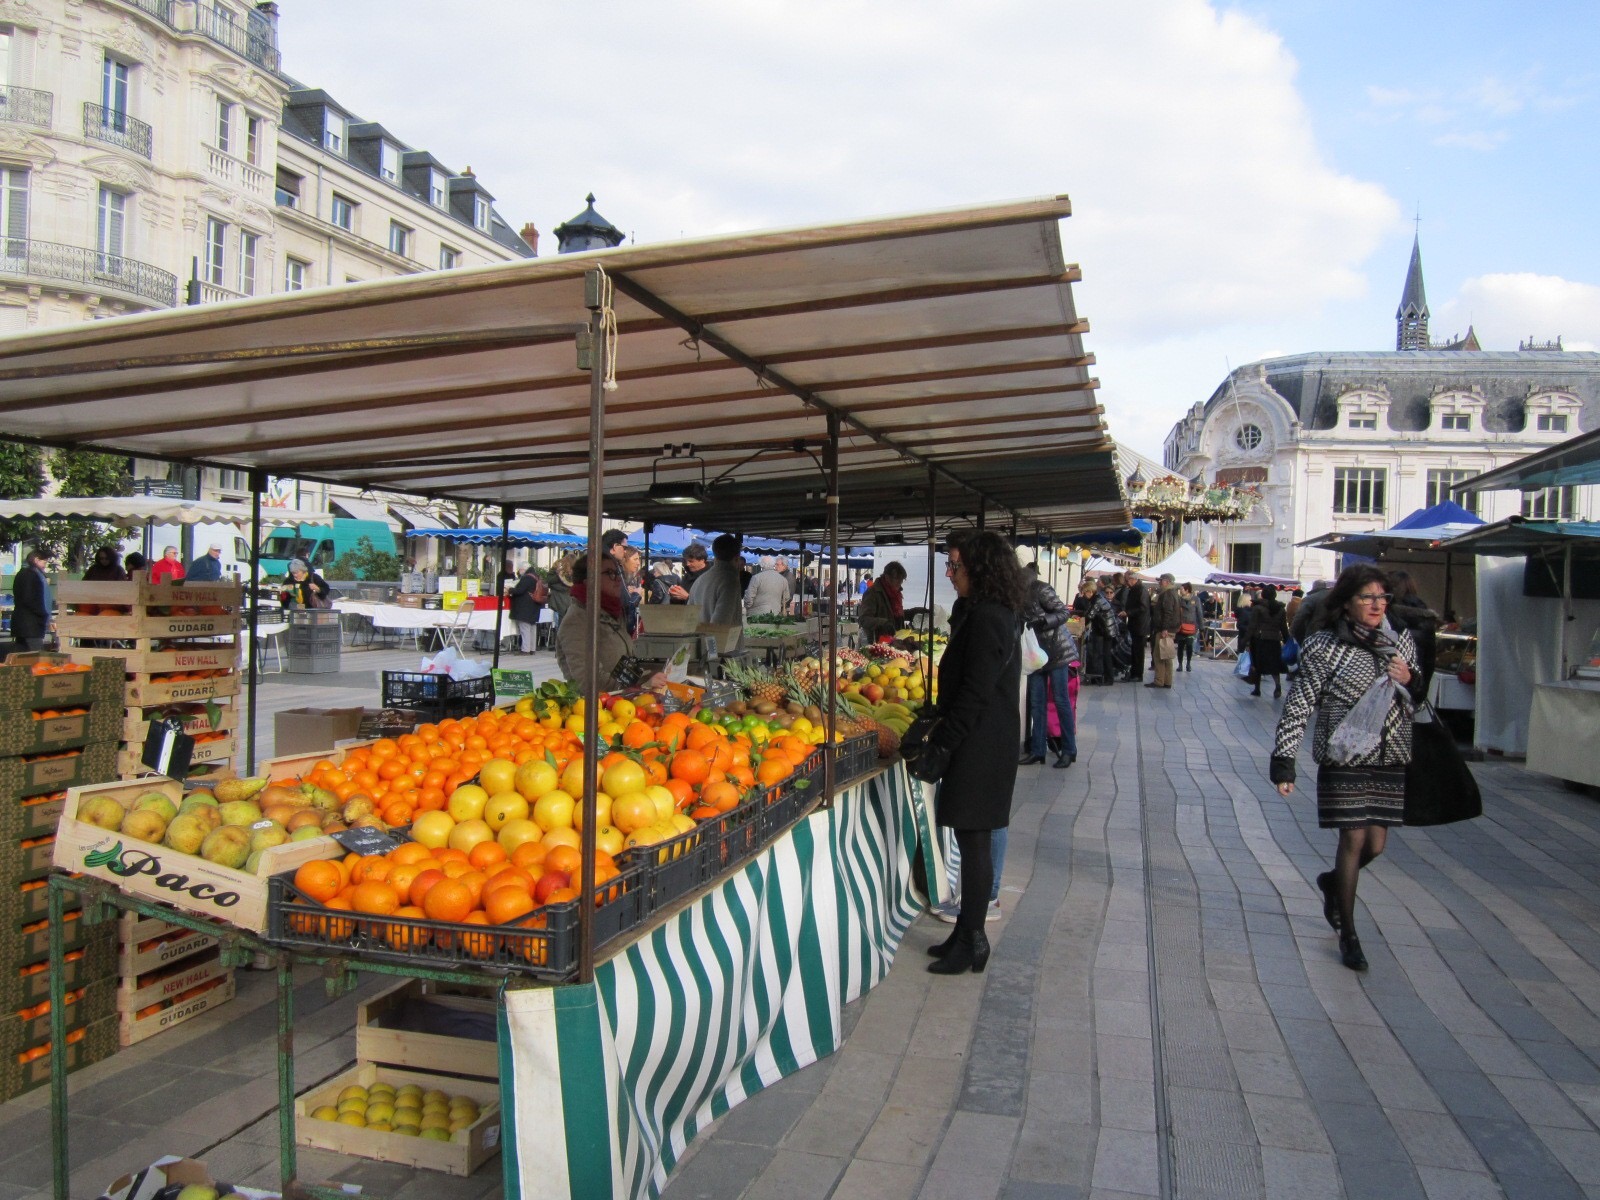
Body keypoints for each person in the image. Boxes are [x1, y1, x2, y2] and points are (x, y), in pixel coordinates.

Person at [1271, 565, 1425, 971]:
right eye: (1367, 598)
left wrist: (1410, 677)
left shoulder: (1399, 639)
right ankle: (1350, 934)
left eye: (1382, 598)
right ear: (1347, 602)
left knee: (1376, 846)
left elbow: (1417, 694)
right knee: (1353, 842)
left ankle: (1331, 883)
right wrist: (1284, 762)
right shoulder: (1325, 644)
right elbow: (1301, 700)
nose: (1377, 605)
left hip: (1389, 755)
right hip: (1344, 755)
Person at [924, 530, 1027, 975]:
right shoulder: (983, 611)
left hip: (982, 743)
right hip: (982, 738)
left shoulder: (990, 617)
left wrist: (945, 741)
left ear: (979, 570)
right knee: (971, 840)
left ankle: (973, 939)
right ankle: (965, 933)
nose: (949, 574)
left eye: (955, 566)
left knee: (975, 841)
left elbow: (975, 691)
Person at [1019, 566, 1079, 768]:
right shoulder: (1015, 593)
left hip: (1057, 651)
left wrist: (1044, 620)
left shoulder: (1041, 589)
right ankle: (1038, 750)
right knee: (1037, 702)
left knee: (1061, 700)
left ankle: (1069, 750)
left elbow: (1063, 612)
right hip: (1036, 655)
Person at [555, 555, 639, 690]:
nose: (618, 578)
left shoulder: (612, 612)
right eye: (610, 574)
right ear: (589, 580)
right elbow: (588, 680)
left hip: (622, 703)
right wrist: (637, 685)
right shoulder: (577, 621)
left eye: (618, 572)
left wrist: (646, 677)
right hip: (597, 707)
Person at [1386, 570, 1438, 688]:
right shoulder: (1425, 615)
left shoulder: (1389, 615)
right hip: (1416, 681)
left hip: (1395, 678)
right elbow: (1429, 659)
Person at [688, 534, 744, 626]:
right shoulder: (730, 581)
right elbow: (721, 624)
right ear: (737, 557)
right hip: (721, 639)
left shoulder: (700, 580)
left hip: (700, 638)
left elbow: (689, 617)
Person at [1247, 584, 1290, 698]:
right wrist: (1287, 640)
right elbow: (1283, 627)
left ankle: (1257, 688)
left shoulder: (1257, 608)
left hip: (1260, 638)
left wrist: (1245, 640)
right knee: (1274, 664)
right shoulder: (1281, 609)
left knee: (1258, 663)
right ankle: (1277, 686)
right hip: (1275, 639)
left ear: (1263, 595)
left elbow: (1252, 626)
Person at [10, 548, 53, 651]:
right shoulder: (30, 575)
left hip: (24, 623)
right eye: (44, 562)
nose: (45, 566)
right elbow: (29, 598)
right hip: (30, 623)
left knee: (21, 654)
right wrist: (42, 613)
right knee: (37, 656)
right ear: (36, 560)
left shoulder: (25, 573)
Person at [1147, 572, 1182, 688]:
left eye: (1161, 581)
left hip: (1164, 629)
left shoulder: (1167, 594)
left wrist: (1164, 628)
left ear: (1167, 582)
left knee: (1159, 655)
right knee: (1167, 655)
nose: (1159, 583)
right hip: (1170, 628)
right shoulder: (1173, 593)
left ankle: (1159, 680)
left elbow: (1168, 612)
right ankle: (1167, 681)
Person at [857, 561, 907, 643]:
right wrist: (883, 623)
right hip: (878, 643)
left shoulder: (895, 593)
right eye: (897, 579)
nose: (900, 583)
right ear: (887, 577)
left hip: (895, 641)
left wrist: (912, 612)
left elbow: (894, 614)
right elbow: (863, 619)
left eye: (901, 580)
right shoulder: (873, 592)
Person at [508, 564, 547, 653]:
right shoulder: (536, 577)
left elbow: (520, 590)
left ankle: (525, 649)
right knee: (532, 627)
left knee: (524, 627)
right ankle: (532, 648)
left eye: (519, 570)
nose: (519, 572)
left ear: (523, 569)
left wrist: (510, 590)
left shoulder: (527, 578)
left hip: (525, 606)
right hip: (535, 605)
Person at [1121, 570, 1150, 681]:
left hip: (1140, 625)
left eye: (1128, 580)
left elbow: (1143, 607)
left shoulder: (1141, 590)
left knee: (1138, 651)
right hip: (1135, 624)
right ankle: (1134, 673)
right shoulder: (1135, 589)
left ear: (1133, 580)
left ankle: (1138, 674)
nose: (1127, 582)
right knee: (1134, 650)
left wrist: (1128, 612)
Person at [546, 553, 577, 628]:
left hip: (557, 602)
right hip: (568, 601)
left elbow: (549, 581)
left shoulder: (557, 567)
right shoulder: (575, 571)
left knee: (560, 626)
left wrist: (558, 575)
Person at [1175, 582, 1200, 672]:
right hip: (1181, 626)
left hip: (1191, 626)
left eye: (1181, 589)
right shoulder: (1179, 599)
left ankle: (1188, 663)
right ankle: (1180, 664)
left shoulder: (1196, 599)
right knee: (1180, 646)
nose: (1180, 591)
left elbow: (1199, 613)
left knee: (1189, 645)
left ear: (1187, 590)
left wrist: (1201, 626)